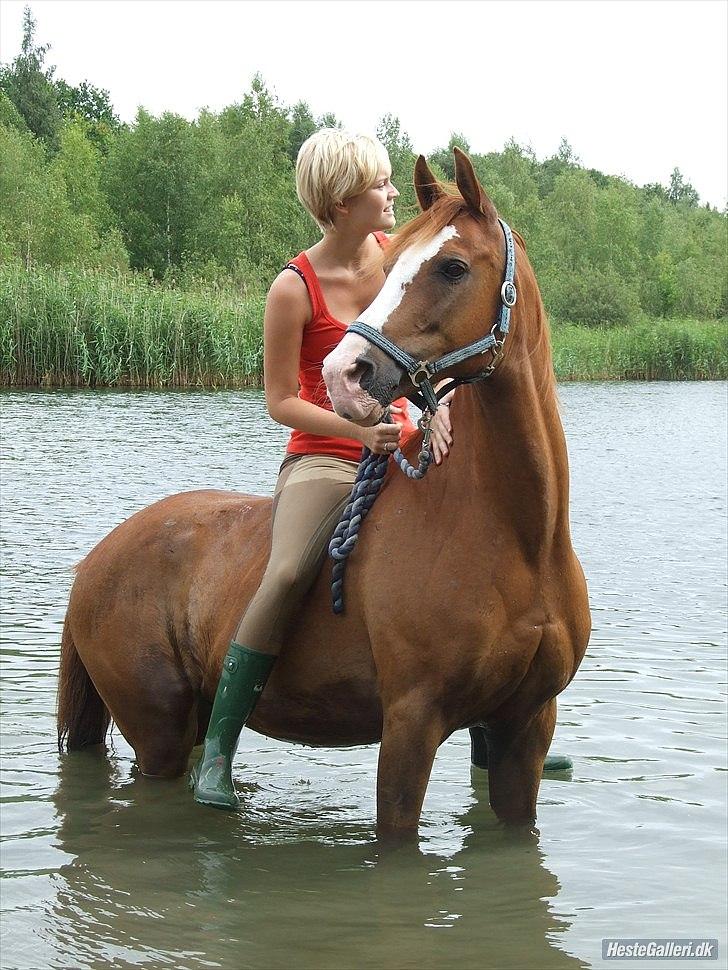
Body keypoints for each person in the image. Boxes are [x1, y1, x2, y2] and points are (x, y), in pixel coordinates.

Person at [191, 130, 455, 810]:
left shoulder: (396, 262)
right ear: (342, 203)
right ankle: (218, 753)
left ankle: (505, 726)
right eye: (381, 185)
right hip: (326, 460)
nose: (394, 193)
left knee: (475, 552)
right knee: (284, 572)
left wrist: (433, 410)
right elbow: (282, 402)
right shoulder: (293, 288)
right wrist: (358, 431)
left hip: (406, 441)